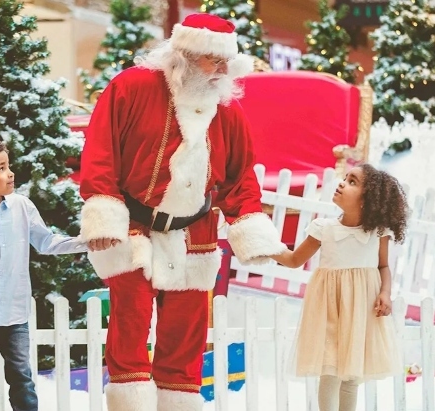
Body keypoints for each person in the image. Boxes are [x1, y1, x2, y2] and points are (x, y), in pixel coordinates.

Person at [78, 12, 287, 411]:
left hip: (196, 232)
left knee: (185, 337)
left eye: (227, 61)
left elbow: (239, 176)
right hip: (134, 226)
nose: (222, 71)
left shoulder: (226, 108)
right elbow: (100, 151)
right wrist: (104, 212)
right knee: (131, 325)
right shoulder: (131, 87)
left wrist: (249, 228)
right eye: (214, 60)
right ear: (185, 55)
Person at [0, 138, 87, 411]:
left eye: (8, 166)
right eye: (1, 168)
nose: (10, 173)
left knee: (23, 381)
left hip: (15, 315)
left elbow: (47, 242)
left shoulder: (22, 206)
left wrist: (88, 241)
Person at [272, 164, 409, 411]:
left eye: (353, 181)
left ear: (369, 201)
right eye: (345, 178)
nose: (343, 182)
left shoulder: (377, 233)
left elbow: (383, 267)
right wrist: (265, 247)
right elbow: (294, 260)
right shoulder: (323, 229)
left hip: (361, 312)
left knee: (351, 376)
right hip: (328, 309)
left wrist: (385, 292)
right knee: (329, 371)